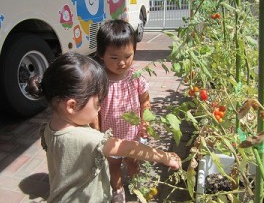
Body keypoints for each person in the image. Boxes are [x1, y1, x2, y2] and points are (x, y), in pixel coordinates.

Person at [27, 53, 181, 203]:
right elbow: (129, 148)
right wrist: (164, 157)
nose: (100, 108)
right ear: (72, 106)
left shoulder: (50, 129)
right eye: (98, 103)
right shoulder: (88, 139)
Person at [95, 19, 151, 202]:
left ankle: (138, 185)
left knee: (133, 161)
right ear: (101, 54)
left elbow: (145, 100)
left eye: (128, 56)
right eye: (114, 58)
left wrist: (145, 121)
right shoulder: (100, 80)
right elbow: (94, 109)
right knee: (114, 164)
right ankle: (117, 190)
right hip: (110, 137)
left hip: (132, 134)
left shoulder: (135, 76)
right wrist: (95, 133)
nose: (122, 63)